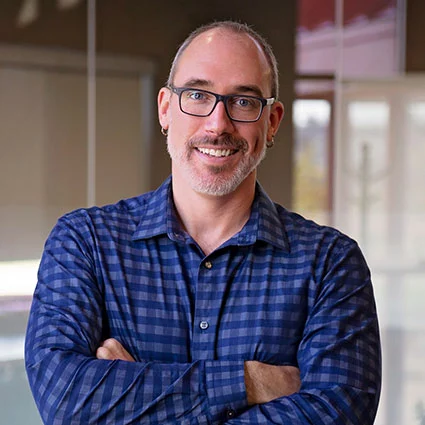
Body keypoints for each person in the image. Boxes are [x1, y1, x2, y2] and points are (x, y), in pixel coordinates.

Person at [25, 20, 381, 424]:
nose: (218, 124)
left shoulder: (330, 263)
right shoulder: (85, 243)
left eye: (244, 102)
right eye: (197, 95)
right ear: (165, 109)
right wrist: (249, 381)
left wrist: (130, 397)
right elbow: (65, 400)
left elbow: (338, 415)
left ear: (273, 122)